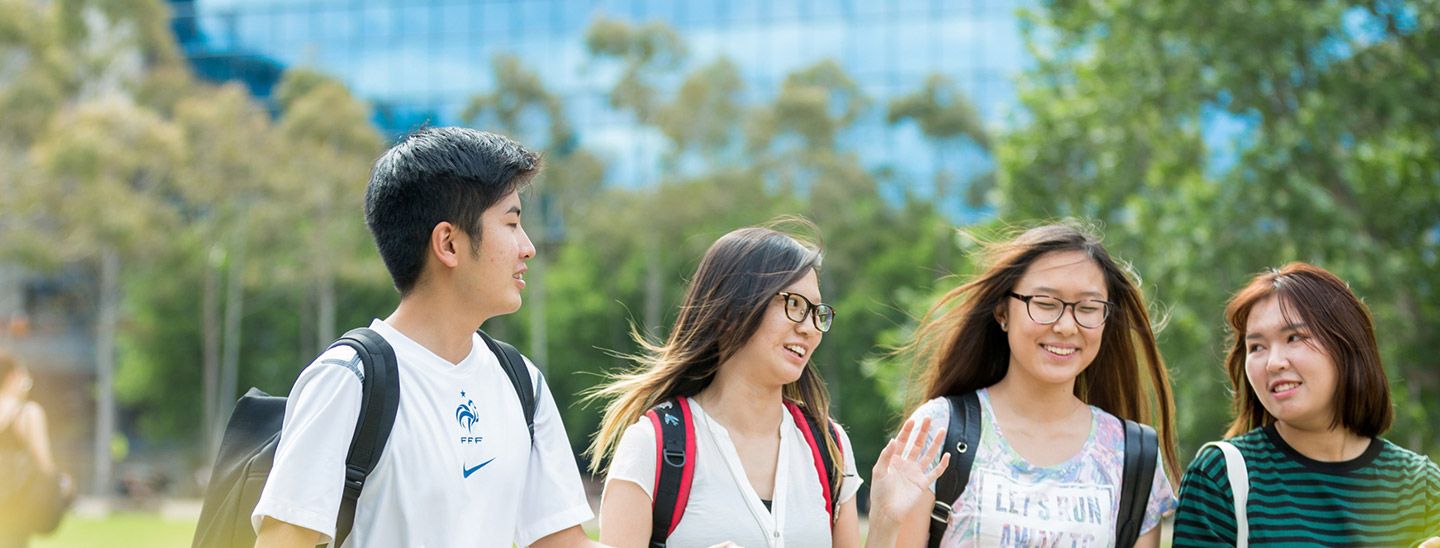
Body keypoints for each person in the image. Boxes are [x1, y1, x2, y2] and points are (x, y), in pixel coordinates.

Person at [252, 127, 599, 547]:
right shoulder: (349, 381)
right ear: (448, 243)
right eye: (511, 223)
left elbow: (559, 542)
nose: (527, 248)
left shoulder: (521, 381)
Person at [586, 223, 950, 548]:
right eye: (793, 304)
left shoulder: (830, 447)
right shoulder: (653, 445)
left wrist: (885, 522)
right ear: (731, 311)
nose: (808, 327)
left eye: (817, 312)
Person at [895, 222, 1179, 547]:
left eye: (1088, 308)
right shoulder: (938, 430)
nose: (1066, 326)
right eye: (1045, 304)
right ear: (1003, 311)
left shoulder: (1133, 456)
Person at [1173, 262, 1440, 546]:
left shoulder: (1421, 487)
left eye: (1294, 337)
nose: (1274, 363)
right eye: (1257, 347)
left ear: (1346, 346)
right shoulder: (1218, 479)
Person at [0, 351, 74, 547]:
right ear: (13, 376)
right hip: (13, 502)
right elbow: (44, 464)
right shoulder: (27, 413)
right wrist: (63, 483)